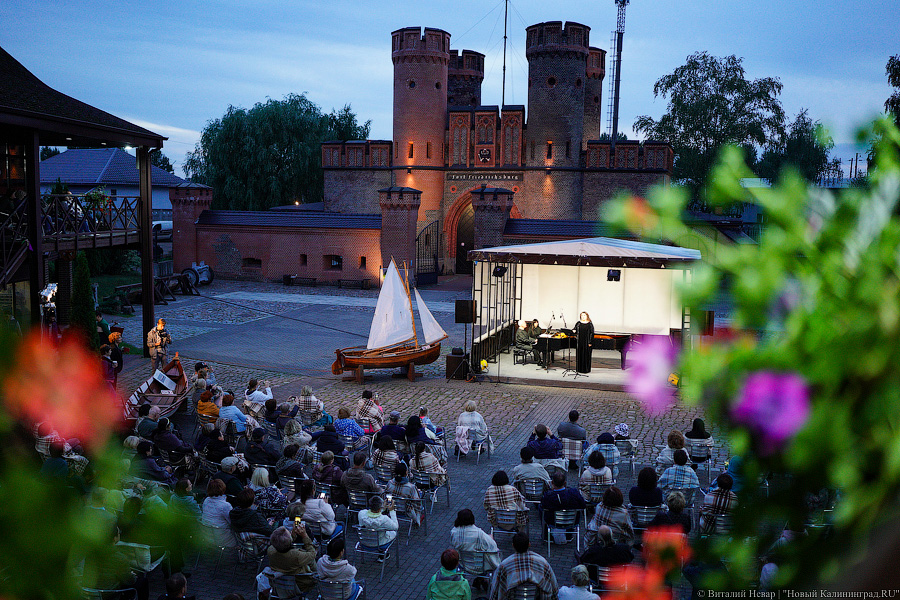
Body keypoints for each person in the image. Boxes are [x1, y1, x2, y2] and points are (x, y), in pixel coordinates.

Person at [489, 532, 558, 600]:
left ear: (513, 546)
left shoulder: (504, 565)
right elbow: (554, 587)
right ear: (529, 545)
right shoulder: (542, 562)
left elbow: (495, 590)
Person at [267, 525, 317, 594]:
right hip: (298, 586)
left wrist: (293, 535)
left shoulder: (270, 550)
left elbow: (282, 543)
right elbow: (312, 554)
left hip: (279, 584)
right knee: (311, 561)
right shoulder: (296, 556)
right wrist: (305, 536)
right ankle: (316, 574)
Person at [540, 471, 586, 542]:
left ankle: (546, 534)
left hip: (553, 521)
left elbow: (543, 506)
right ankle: (569, 534)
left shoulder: (548, 496)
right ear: (565, 483)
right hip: (572, 521)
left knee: (541, 508)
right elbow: (583, 505)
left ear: (552, 483)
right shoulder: (574, 493)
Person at [385, 462, 422, 526]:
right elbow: (417, 502)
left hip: (391, 509)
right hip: (407, 512)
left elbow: (386, 496)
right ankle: (417, 520)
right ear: (406, 473)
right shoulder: (411, 487)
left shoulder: (390, 483)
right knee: (419, 495)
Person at [201, 479, 235, 548]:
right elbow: (231, 522)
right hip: (223, 538)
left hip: (207, 536)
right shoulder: (225, 506)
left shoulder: (206, 500)